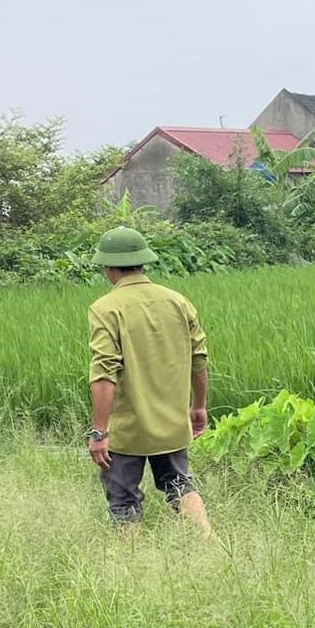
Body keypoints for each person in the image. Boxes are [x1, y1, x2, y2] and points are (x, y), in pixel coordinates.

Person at [86, 226, 214, 537]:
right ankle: (209, 541)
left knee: (123, 501)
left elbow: (104, 372)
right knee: (180, 485)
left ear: (109, 267)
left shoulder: (106, 308)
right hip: (172, 422)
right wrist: (198, 407)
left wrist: (99, 431)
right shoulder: (178, 301)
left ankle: (134, 563)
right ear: (143, 262)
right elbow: (199, 359)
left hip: (128, 430)